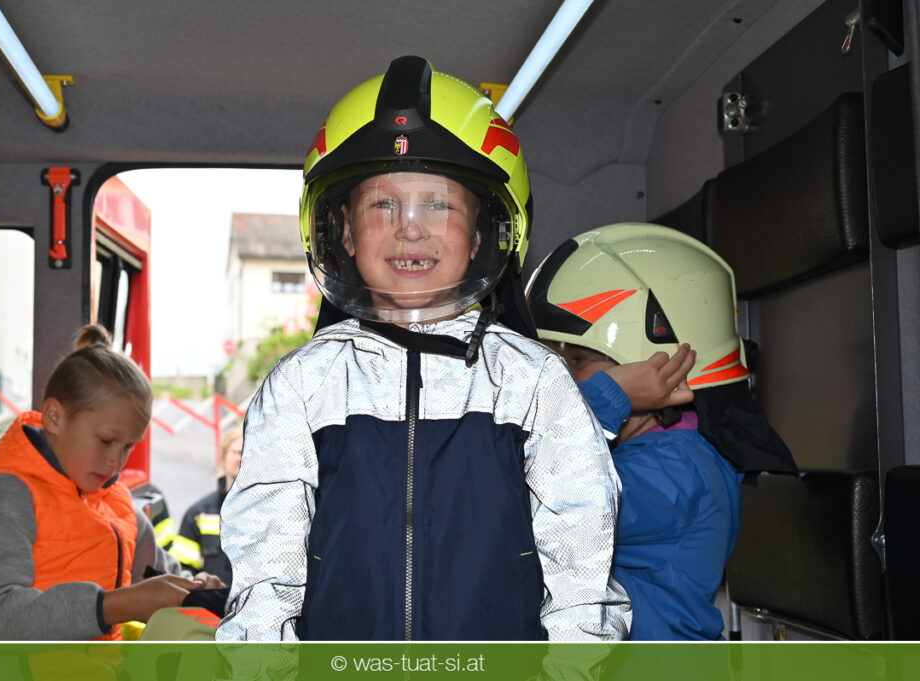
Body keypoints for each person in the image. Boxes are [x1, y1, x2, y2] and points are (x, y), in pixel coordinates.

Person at [217, 56, 630, 642]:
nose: (409, 227)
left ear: (484, 232)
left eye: (439, 204)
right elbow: (266, 569)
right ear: (343, 231)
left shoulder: (532, 382)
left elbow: (581, 565)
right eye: (382, 204)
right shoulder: (305, 385)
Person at [527, 223, 798, 640]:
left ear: (658, 369)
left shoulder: (673, 471)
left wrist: (606, 398)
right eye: (552, 359)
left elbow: (534, 505)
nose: (559, 379)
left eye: (578, 360)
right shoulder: (643, 451)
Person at [0, 324, 224, 641]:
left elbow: (159, 575)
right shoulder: (5, 496)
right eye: (106, 441)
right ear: (55, 417)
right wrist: (112, 606)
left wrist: (196, 587)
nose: (117, 461)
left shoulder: (118, 506)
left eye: (128, 447)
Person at [170, 428, 242, 585]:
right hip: (213, 601)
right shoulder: (199, 514)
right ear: (222, 458)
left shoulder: (276, 512)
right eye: (239, 452)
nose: (245, 458)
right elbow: (181, 571)